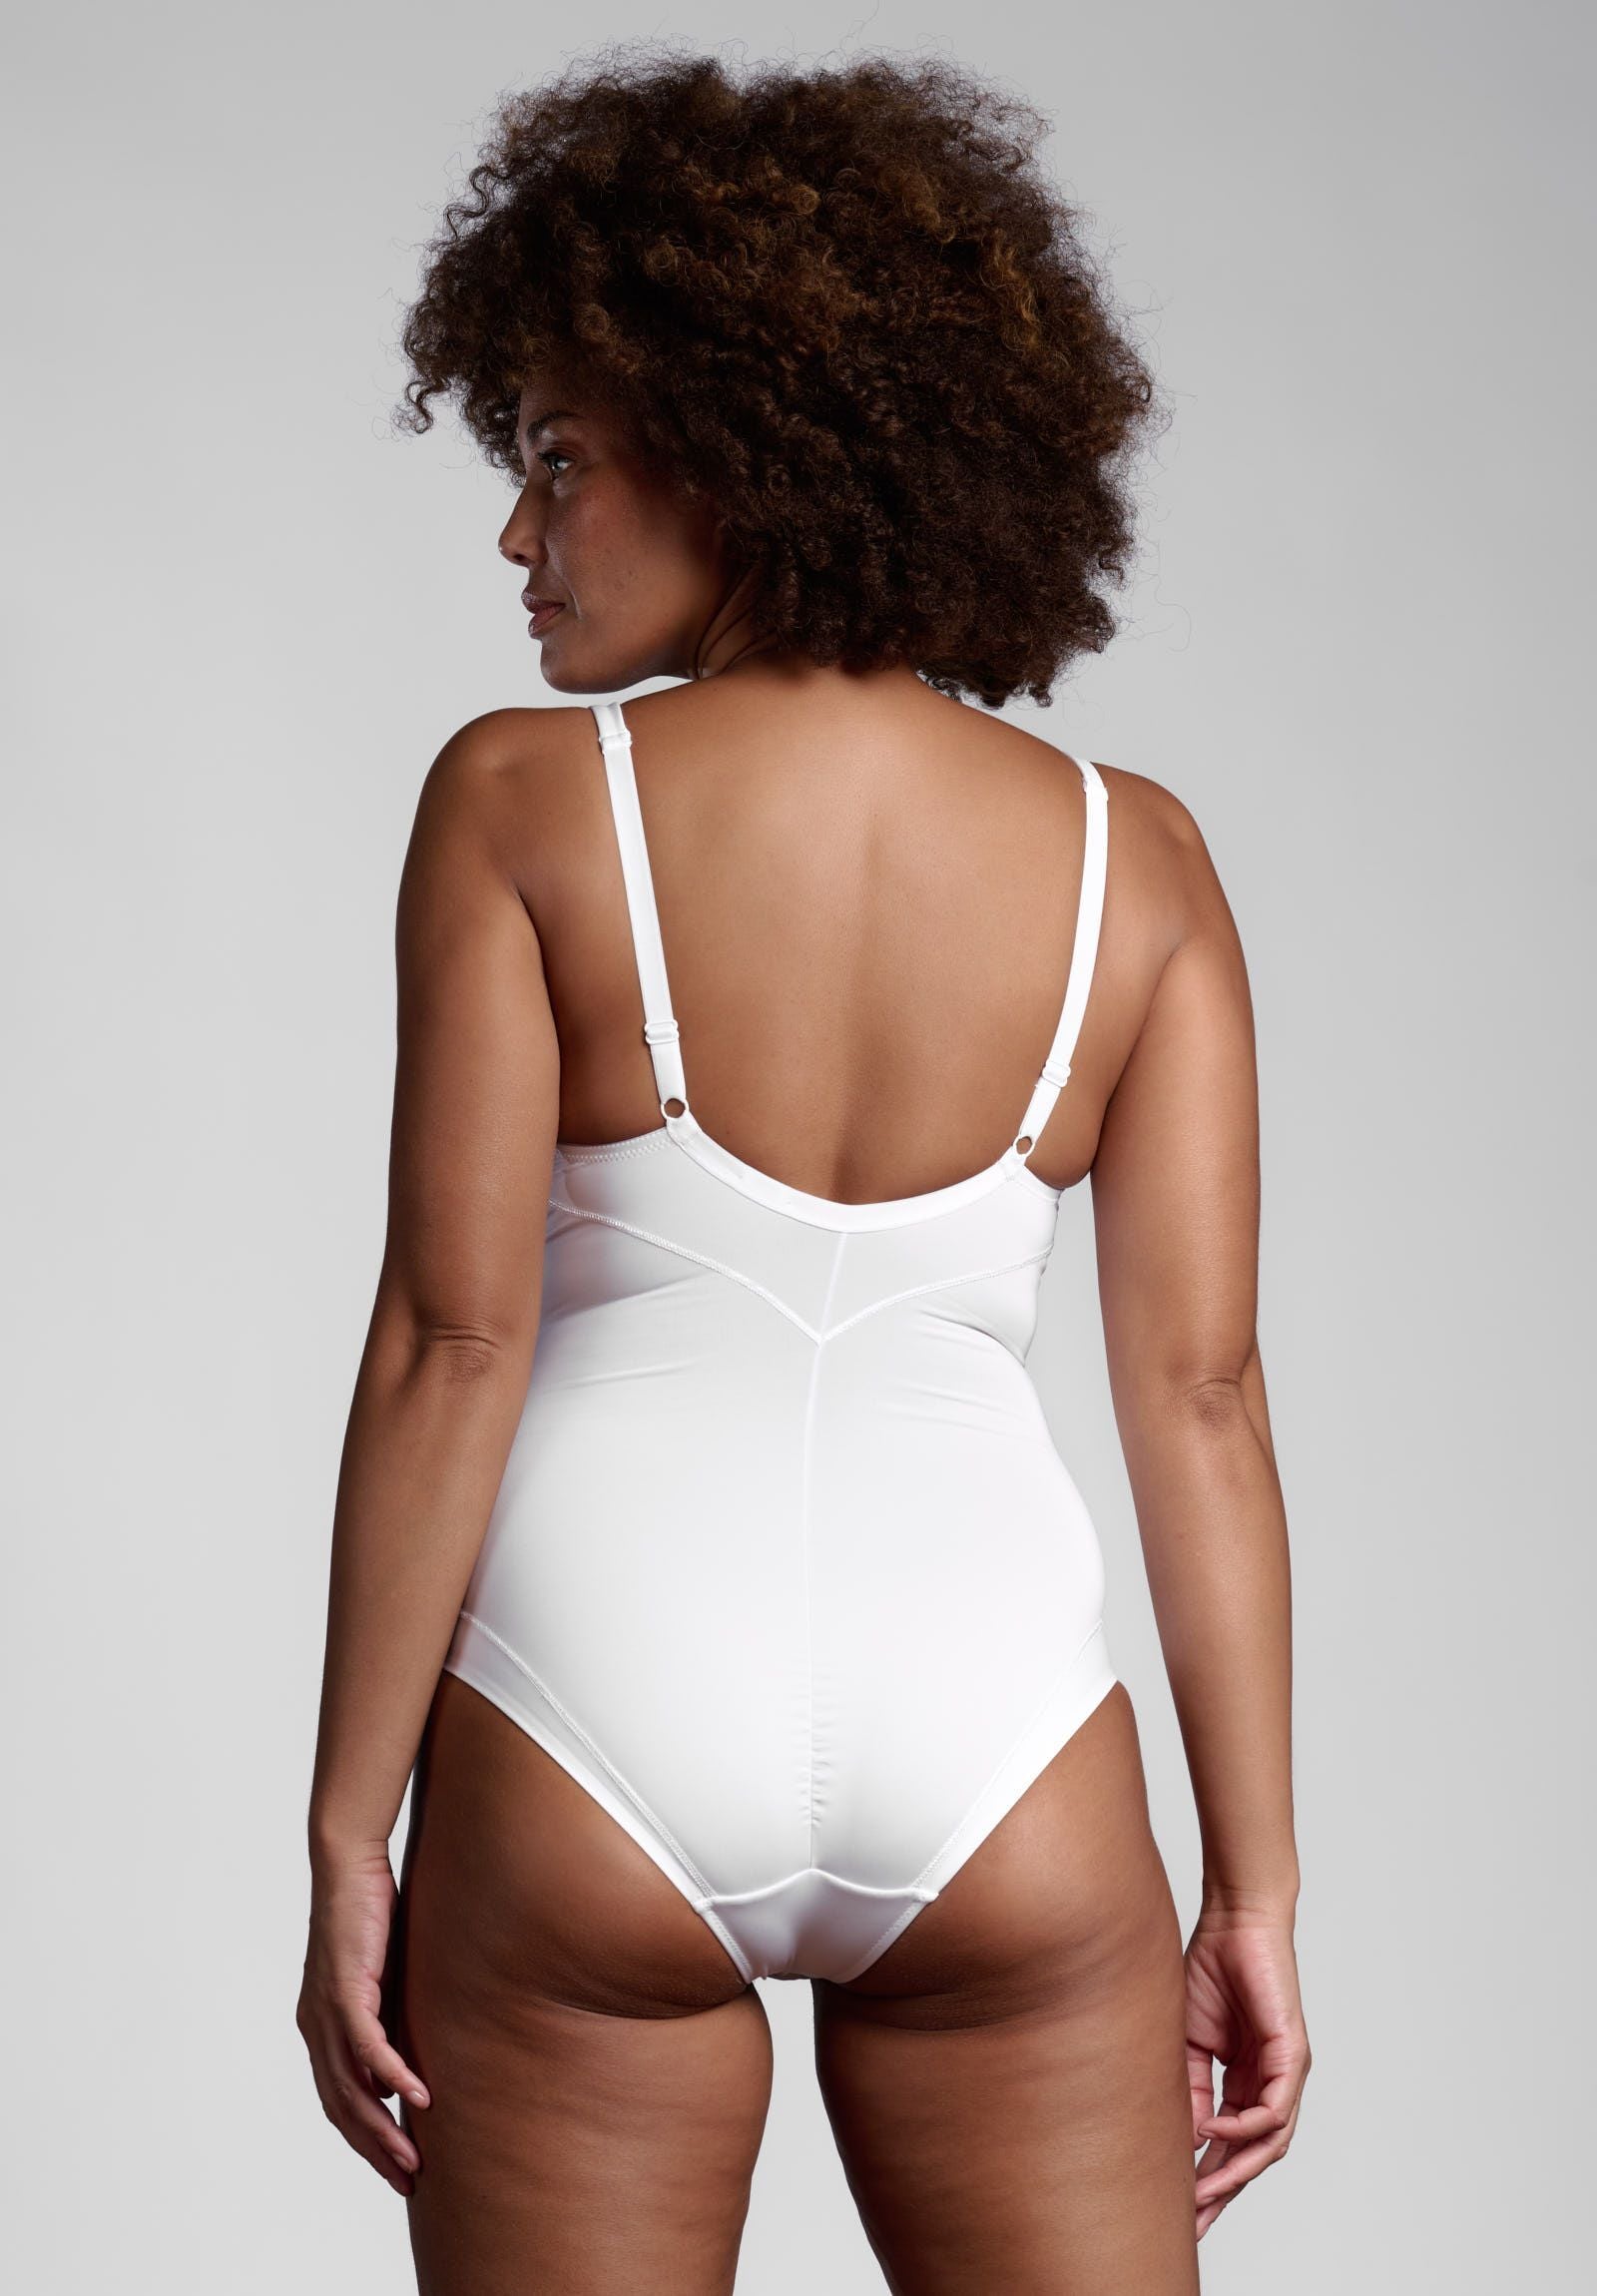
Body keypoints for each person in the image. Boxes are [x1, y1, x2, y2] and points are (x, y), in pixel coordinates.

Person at [296, 47, 1310, 2292]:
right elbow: (1202, 1400)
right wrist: (1252, 1887)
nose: (518, 533)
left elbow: (450, 1344)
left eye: (558, 456)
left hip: (582, 1732)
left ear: (736, 439)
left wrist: (350, 1829)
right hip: (1004, 1753)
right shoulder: (1136, 860)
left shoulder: (520, 803)